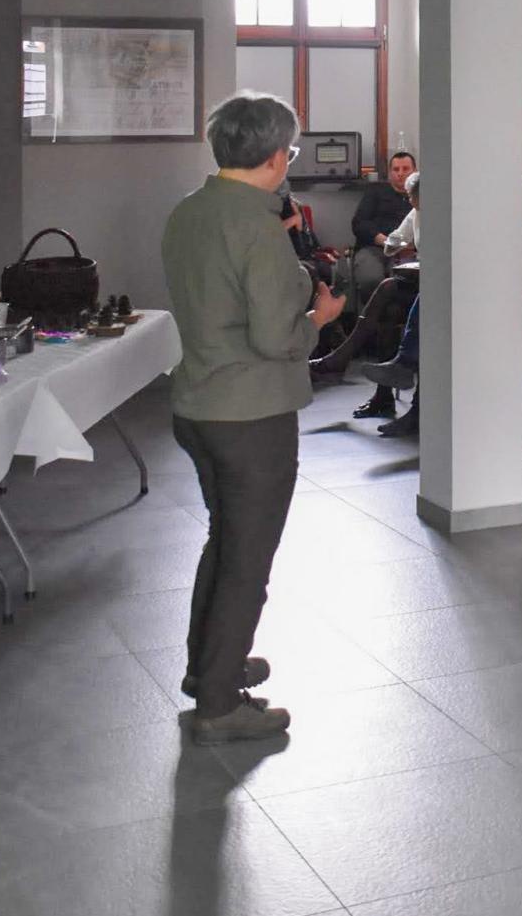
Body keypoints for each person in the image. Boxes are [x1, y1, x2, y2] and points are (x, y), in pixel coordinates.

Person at [161, 91, 346, 744]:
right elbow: (275, 336)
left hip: (197, 406)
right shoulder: (259, 229)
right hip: (251, 415)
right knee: (248, 557)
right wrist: (317, 319)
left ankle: (208, 664)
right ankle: (218, 703)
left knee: (225, 538)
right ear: (275, 157)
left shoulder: (190, 211)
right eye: (290, 151)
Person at [361, 172, 522, 440]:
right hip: (504, 300)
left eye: (520, 197)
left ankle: (409, 377)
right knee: (431, 300)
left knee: (437, 311)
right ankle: (410, 386)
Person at [308, 172, 422, 420]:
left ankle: (343, 357)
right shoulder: (416, 213)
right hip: (423, 285)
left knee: (388, 288)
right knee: (388, 313)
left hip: (440, 288)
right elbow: (395, 240)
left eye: (415, 199)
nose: (413, 205)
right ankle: (384, 398)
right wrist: (395, 244)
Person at [350, 150, 417, 288]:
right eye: (396, 169)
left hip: (409, 251)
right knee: (371, 279)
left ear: (415, 171)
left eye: (405, 169)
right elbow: (359, 223)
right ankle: (372, 310)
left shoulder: (421, 196)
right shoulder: (375, 191)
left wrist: (410, 246)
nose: (400, 173)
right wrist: (385, 241)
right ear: (389, 172)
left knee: (405, 283)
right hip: (374, 248)